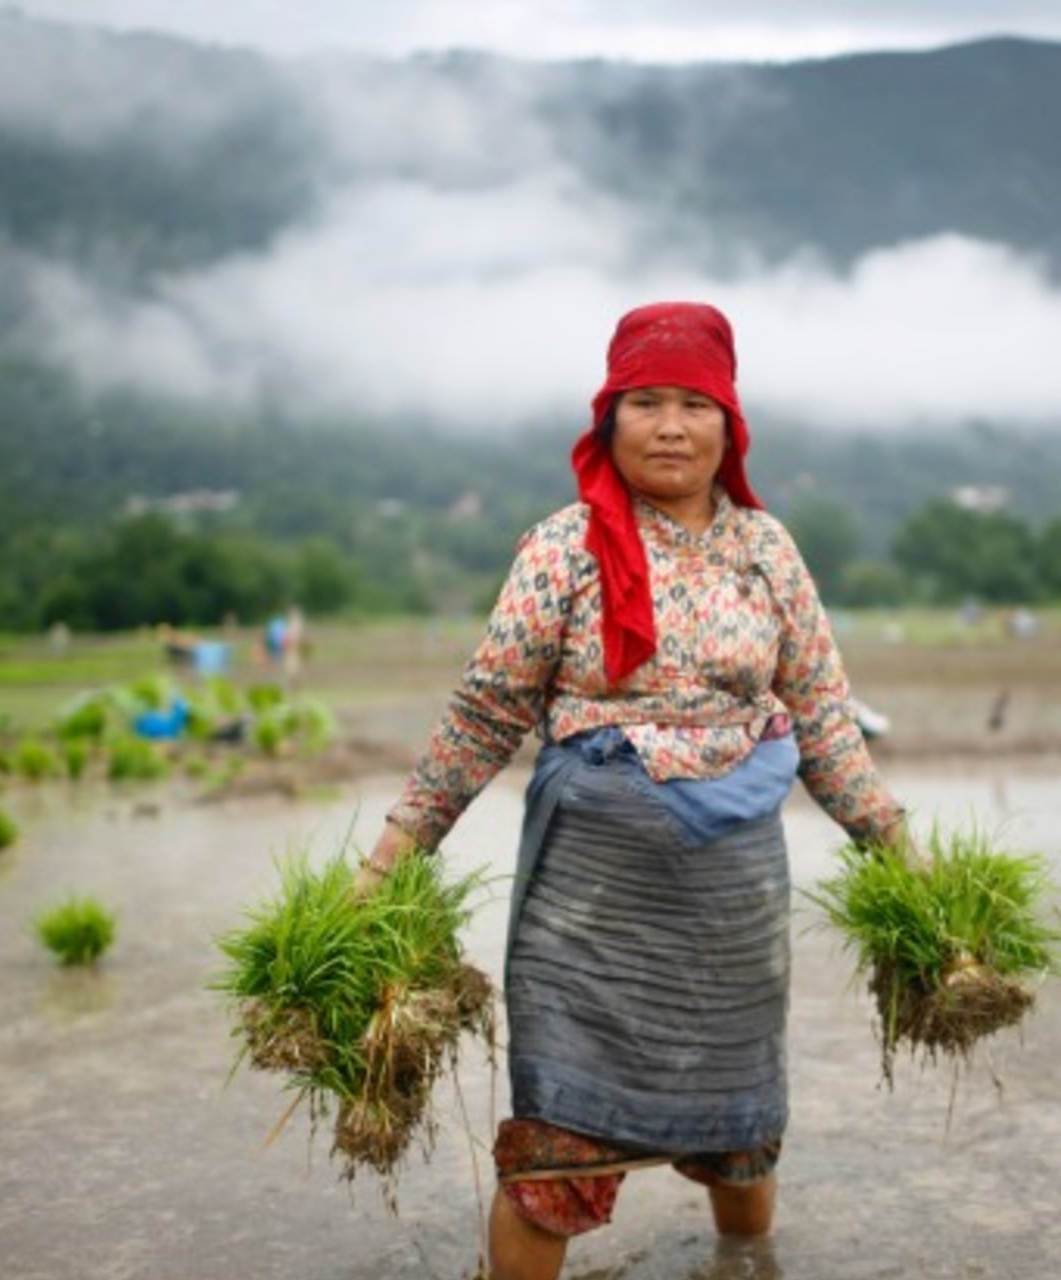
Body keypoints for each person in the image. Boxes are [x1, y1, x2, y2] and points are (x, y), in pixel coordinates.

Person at [360, 301, 910, 1280]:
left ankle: (745, 1260)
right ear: (607, 419)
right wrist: (395, 847)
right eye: (644, 401)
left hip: (730, 907)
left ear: (728, 426)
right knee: (557, 1130)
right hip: (591, 909)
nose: (669, 424)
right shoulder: (563, 547)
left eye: (694, 403)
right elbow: (487, 709)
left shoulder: (768, 553)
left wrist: (898, 846)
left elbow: (823, 711)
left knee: (738, 1122)